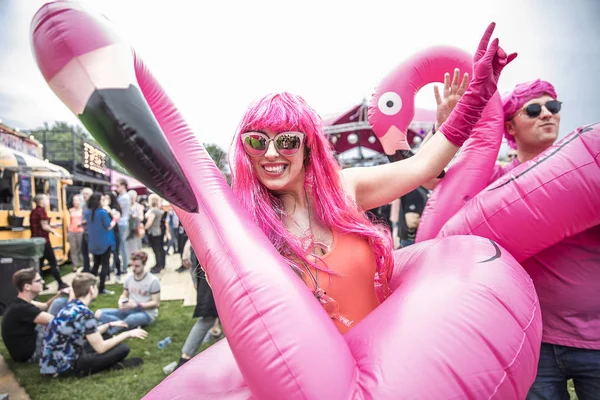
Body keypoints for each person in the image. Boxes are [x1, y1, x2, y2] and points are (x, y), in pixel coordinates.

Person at [227, 25, 514, 334]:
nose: (270, 154)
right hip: (312, 378)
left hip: (382, 363)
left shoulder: (343, 189)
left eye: (287, 142)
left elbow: (423, 165)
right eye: (257, 141)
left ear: (309, 147)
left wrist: (476, 97)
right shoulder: (246, 221)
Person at [498, 80, 600, 400]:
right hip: (535, 344)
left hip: (595, 339)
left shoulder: (589, 169)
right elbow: (438, 179)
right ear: (510, 128)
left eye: (553, 107)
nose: (547, 114)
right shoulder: (498, 183)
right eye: (533, 109)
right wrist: (450, 122)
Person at [40, 273, 146, 376]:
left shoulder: (70, 306)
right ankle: (108, 366)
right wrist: (127, 334)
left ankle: (105, 364)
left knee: (106, 336)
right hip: (65, 366)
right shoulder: (85, 314)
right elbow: (101, 348)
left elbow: (87, 333)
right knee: (123, 349)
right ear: (91, 289)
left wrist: (110, 324)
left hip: (51, 363)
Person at [1, 268, 70, 362]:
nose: (43, 281)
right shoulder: (23, 308)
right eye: (38, 280)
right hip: (30, 354)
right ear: (27, 287)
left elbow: (45, 306)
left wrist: (61, 293)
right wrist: (74, 297)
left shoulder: (19, 302)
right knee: (61, 315)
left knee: (59, 302)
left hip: (25, 347)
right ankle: (88, 329)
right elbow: (58, 323)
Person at [175, 240, 219, 370]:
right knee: (208, 318)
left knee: (216, 317)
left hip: (214, 274)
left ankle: (215, 334)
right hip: (210, 276)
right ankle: (184, 358)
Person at [95, 251, 161, 335]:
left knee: (131, 319)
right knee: (98, 313)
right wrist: (121, 300)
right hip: (129, 309)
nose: (133, 268)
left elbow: (156, 303)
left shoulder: (153, 280)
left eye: (137, 266)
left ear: (144, 265)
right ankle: (121, 325)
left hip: (146, 313)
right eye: (132, 265)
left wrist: (137, 305)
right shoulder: (129, 277)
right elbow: (124, 294)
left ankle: (108, 330)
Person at [29, 194, 67, 289]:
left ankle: (40, 284)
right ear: (41, 201)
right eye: (46, 199)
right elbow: (44, 226)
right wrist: (54, 231)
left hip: (35, 241)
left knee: (39, 264)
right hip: (43, 241)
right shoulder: (42, 212)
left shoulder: (33, 211)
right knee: (53, 262)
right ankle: (60, 283)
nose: (48, 201)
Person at [85, 193, 116, 295]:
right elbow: (108, 226)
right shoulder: (102, 213)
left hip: (94, 242)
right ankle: (102, 287)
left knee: (95, 264)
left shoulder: (87, 213)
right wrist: (114, 220)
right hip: (104, 241)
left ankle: (91, 286)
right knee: (105, 265)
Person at [145, 194, 167, 274]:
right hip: (158, 231)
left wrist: (145, 227)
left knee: (156, 250)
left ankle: (158, 265)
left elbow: (150, 222)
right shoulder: (158, 210)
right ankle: (161, 264)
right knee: (160, 249)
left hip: (154, 233)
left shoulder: (153, 211)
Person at [115, 179, 131, 275]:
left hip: (121, 222)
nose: (117, 188)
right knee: (120, 245)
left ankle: (124, 266)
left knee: (122, 245)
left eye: (118, 186)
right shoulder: (123, 197)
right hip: (122, 222)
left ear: (123, 186)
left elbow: (118, 209)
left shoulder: (123, 197)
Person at [68, 194, 85, 272]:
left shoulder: (83, 210)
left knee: (81, 248)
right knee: (73, 249)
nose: (75, 202)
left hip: (80, 231)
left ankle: (84, 263)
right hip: (72, 231)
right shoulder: (70, 210)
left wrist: (81, 223)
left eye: (77, 200)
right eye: (74, 200)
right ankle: (74, 265)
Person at [80, 187, 93, 273]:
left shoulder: (92, 205)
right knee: (84, 250)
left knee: (92, 251)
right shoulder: (84, 204)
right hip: (85, 230)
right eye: (83, 194)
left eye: (86, 194)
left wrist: (83, 222)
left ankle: (92, 267)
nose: (84, 196)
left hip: (91, 231)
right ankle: (86, 267)